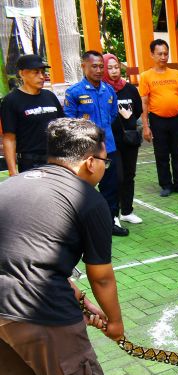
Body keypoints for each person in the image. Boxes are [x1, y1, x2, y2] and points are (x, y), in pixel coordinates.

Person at [0, 117, 169, 375]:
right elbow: (101, 275)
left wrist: (78, 297)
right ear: (90, 161)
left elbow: (27, 252)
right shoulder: (88, 199)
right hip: (39, 312)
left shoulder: (12, 184)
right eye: (105, 159)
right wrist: (116, 322)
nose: (105, 167)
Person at [65, 50, 128, 237]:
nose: (99, 70)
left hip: (108, 148)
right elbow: (70, 121)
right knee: (83, 189)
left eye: (101, 66)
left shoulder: (108, 90)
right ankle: (82, 226)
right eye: (94, 66)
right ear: (83, 66)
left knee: (111, 187)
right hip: (85, 151)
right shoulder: (74, 92)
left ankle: (110, 222)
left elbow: (113, 114)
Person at [140, 39, 178, 197]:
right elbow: (144, 101)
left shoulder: (176, 74)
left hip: (177, 119)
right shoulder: (146, 76)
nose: (163, 57)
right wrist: (146, 126)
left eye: (166, 53)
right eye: (160, 54)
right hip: (157, 120)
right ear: (152, 54)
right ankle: (166, 185)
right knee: (161, 154)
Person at [0, 54, 62, 176]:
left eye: (43, 72)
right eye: (36, 72)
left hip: (56, 160)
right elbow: (9, 138)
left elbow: (63, 128)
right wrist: (13, 171)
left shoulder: (50, 96)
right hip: (31, 163)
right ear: (22, 73)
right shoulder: (11, 101)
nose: (41, 76)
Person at [103, 53, 144, 226]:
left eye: (116, 67)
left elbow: (138, 110)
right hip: (110, 141)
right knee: (115, 177)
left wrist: (129, 119)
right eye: (109, 68)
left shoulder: (129, 89)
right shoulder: (103, 90)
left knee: (129, 175)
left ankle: (127, 211)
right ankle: (112, 214)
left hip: (129, 139)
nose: (114, 71)